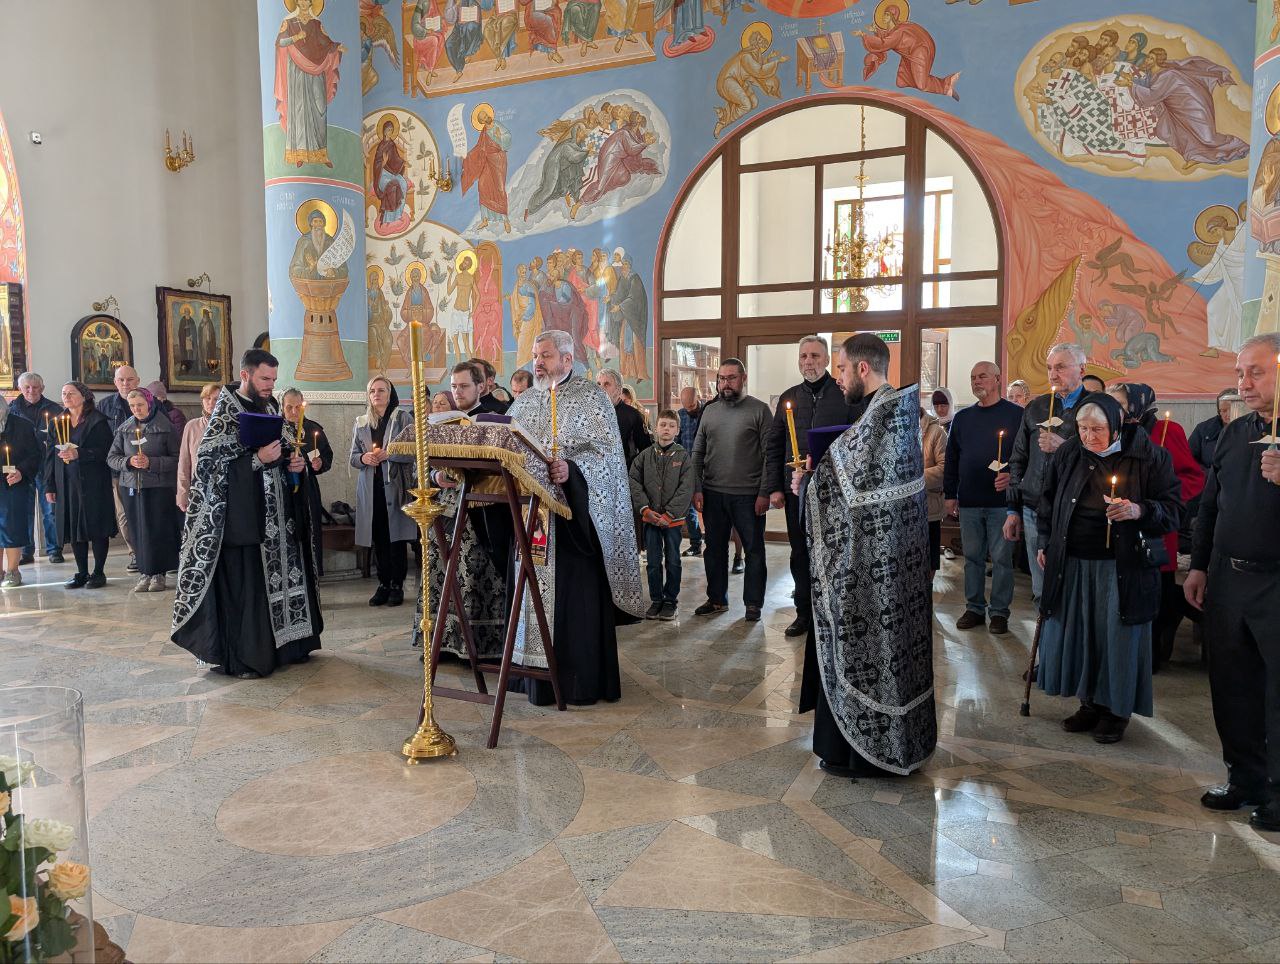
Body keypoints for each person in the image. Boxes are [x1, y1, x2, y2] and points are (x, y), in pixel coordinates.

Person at [796, 333, 936, 777]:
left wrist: (809, 483)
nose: (837, 377)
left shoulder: (884, 416)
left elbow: (846, 490)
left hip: (875, 570)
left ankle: (870, 755)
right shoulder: (889, 413)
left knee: (873, 652)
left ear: (861, 368)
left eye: (840, 367)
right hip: (883, 562)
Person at [504, 329, 644, 704]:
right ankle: (532, 677)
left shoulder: (592, 398)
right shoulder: (524, 402)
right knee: (530, 595)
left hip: (573, 526)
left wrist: (572, 470)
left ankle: (576, 682)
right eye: (536, 355)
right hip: (529, 519)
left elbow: (607, 459)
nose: (538, 362)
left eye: (546, 355)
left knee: (572, 603)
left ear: (567, 359)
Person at [1035, 392, 1180, 744]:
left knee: (1116, 639)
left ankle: (1115, 711)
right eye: (1082, 428)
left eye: (1097, 429)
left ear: (1116, 426)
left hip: (1122, 566)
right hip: (1074, 561)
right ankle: (1088, 703)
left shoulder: (1150, 456)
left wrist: (1138, 510)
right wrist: (1045, 541)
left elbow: (1174, 510)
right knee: (1082, 635)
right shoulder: (1070, 452)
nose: (1088, 436)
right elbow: (1048, 500)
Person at [171, 350, 323, 678]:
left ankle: (291, 646)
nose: (270, 385)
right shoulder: (226, 412)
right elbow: (208, 468)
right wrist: (256, 460)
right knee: (250, 587)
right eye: (264, 378)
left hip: (280, 520)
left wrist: (293, 463)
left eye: (273, 379)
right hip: (245, 524)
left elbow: (282, 450)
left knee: (286, 578)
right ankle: (249, 658)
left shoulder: (269, 407)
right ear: (245, 375)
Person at [1185, 334, 1280, 831]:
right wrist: (1199, 565)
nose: (1244, 383)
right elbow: (1211, 505)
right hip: (1228, 577)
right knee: (1232, 686)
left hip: (1277, 583)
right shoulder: (1235, 431)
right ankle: (1245, 779)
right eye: (1240, 373)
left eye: (1256, 372)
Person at [1107, 384, 1203, 671]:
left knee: (1153, 601)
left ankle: (1150, 659)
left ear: (1138, 404)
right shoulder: (1109, 431)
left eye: (1120, 404)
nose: (1114, 410)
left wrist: (1161, 497)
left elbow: (1193, 478)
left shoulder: (1166, 431)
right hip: (1118, 526)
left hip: (1154, 529)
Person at [764, 336, 854, 637]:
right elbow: (775, 446)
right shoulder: (789, 397)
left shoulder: (843, 395)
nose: (808, 361)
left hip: (835, 492)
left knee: (833, 552)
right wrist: (774, 488)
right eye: (803, 356)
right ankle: (803, 612)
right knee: (800, 551)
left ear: (827, 360)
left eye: (815, 356)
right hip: (795, 490)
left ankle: (834, 612)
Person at [1003, 343, 1090, 603]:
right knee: (1041, 589)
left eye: (1060, 367)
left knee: (1072, 591)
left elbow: (1103, 458)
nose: (1053, 374)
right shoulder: (1037, 407)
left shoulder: (1095, 407)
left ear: (1082, 369)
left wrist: (1064, 447)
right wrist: (1012, 508)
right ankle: (1044, 629)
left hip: (1076, 510)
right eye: (1050, 368)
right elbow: (1018, 458)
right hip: (1034, 507)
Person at [945, 362, 1026, 635]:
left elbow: (1026, 457)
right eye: (973, 378)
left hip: (1002, 504)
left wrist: (1013, 479)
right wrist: (950, 494)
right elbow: (952, 458)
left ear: (998, 379)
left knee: (1002, 560)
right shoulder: (963, 418)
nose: (976, 381)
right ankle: (974, 608)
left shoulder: (1017, 415)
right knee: (972, 558)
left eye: (982, 376)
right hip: (969, 500)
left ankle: (1000, 612)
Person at [691, 358, 771, 622]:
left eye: (731, 378)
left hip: (748, 496)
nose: (725, 383)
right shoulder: (710, 411)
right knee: (714, 549)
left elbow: (770, 455)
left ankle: (753, 604)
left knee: (754, 550)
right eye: (721, 378)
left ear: (743, 379)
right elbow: (698, 451)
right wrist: (696, 487)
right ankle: (717, 599)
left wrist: (764, 493)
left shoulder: (759, 410)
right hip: (713, 493)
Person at [107, 389, 181, 593]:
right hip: (131, 486)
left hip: (159, 487)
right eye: (132, 406)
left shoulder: (165, 427)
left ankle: (158, 574)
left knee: (157, 530)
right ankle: (144, 572)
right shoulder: (125, 428)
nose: (136, 409)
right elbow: (112, 457)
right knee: (138, 531)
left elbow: (177, 459)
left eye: (140, 405)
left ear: (149, 403)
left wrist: (152, 463)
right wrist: (128, 461)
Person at [350, 376, 415, 607]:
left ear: (390, 393)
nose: (376, 394)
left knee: (395, 537)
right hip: (371, 488)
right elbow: (353, 458)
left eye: (381, 390)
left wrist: (391, 454)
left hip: (395, 486)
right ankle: (383, 583)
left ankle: (397, 584)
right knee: (378, 536)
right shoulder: (361, 422)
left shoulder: (403, 417)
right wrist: (364, 458)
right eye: (372, 391)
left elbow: (414, 451)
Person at [46, 382, 117, 589]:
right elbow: (50, 457)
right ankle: (82, 572)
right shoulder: (57, 422)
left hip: (94, 482)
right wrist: (49, 485)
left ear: (84, 396)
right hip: (67, 483)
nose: (66, 397)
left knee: (96, 526)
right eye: (63, 393)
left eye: (71, 393)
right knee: (74, 526)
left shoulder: (97, 421)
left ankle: (98, 572)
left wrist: (80, 454)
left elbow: (106, 451)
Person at [629, 409, 693, 620]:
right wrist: (645, 509)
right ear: (655, 429)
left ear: (677, 430)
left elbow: (686, 488)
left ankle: (670, 600)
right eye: (663, 425)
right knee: (653, 562)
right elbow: (634, 481)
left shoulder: (683, 457)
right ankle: (656, 600)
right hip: (651, 519)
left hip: (672, 521)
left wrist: (670, 514)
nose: (667, 429)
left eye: (671, 426)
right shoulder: (644, 456)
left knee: (673, 560)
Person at [10, 372, 63, 565]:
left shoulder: (55, 409)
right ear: (20, 388)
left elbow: (62, 436)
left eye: (35, 387)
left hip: (47, 466)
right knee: (24, 511)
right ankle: (26, 551)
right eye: (27, 387)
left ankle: (54, 549)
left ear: (42, 388)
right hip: (22, 467)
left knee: (50, 510)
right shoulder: (11, 409)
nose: (31, 390)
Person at [282, 388, 334, 577]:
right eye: (289, 407)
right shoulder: (275, 429)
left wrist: (320, 464)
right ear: (282, 407)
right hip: (284, 490)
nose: (294, 412)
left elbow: (327, 455)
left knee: (310, 531)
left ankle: (311, 574)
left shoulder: (313, 429)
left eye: (298, 407)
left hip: (308, 489)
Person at [98, 365, 141, 572]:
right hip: (118, 470)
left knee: (147, 512)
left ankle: (153, 551)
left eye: (130, 379)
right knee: (124, 514)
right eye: (121, 380)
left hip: (146, 469)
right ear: (115, 382)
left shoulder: (149, 402)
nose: (126, 384)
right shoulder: (105, 405)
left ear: (137, 381)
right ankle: (135, 553)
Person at [0, 395, 41, 587]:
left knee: (12, 528)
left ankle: (12, 571)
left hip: (13, 484)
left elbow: (35, 455)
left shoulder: (22, 425)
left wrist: (21, 471)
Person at [178, 384, 221, 512]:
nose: (211, 403)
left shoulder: (230, 426)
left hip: (222, 489)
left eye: (216, 399)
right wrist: (182, 494)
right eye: (207, 398)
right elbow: (184, 463)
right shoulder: (192, 426)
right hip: (198, 489)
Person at [597, 368, 651, 466]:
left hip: (625, 470)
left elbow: (645, 450)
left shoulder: (632, 415)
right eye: (598, 384)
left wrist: (629, 466)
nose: (601, 388)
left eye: (606, 384)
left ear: (619, 390)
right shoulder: (591, 413)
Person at [676, 387, 704, 557]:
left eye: (692, 406)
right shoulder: (680, 415)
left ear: (698, 398)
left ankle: (713, 544)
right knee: (688, 508)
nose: (689, 410)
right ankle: (695, 543)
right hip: (686, 468)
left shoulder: (708, 412)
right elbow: (677, 441)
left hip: (707, 468)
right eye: (686, 407)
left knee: (709, 508)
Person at [1188, 387, 1238, 476]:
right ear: (1219, 411)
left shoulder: (1251, 427)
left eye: (1231, 410)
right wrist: (1209, 474)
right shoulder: (1203, 429)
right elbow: (1189, 458)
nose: (1228, 414)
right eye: (1223, 411)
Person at [922, 406, 946, 577]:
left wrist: (913, 480)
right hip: (902, 507)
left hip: (929, 505)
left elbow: (945, 468)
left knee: (929, 559)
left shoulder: (936, 432)